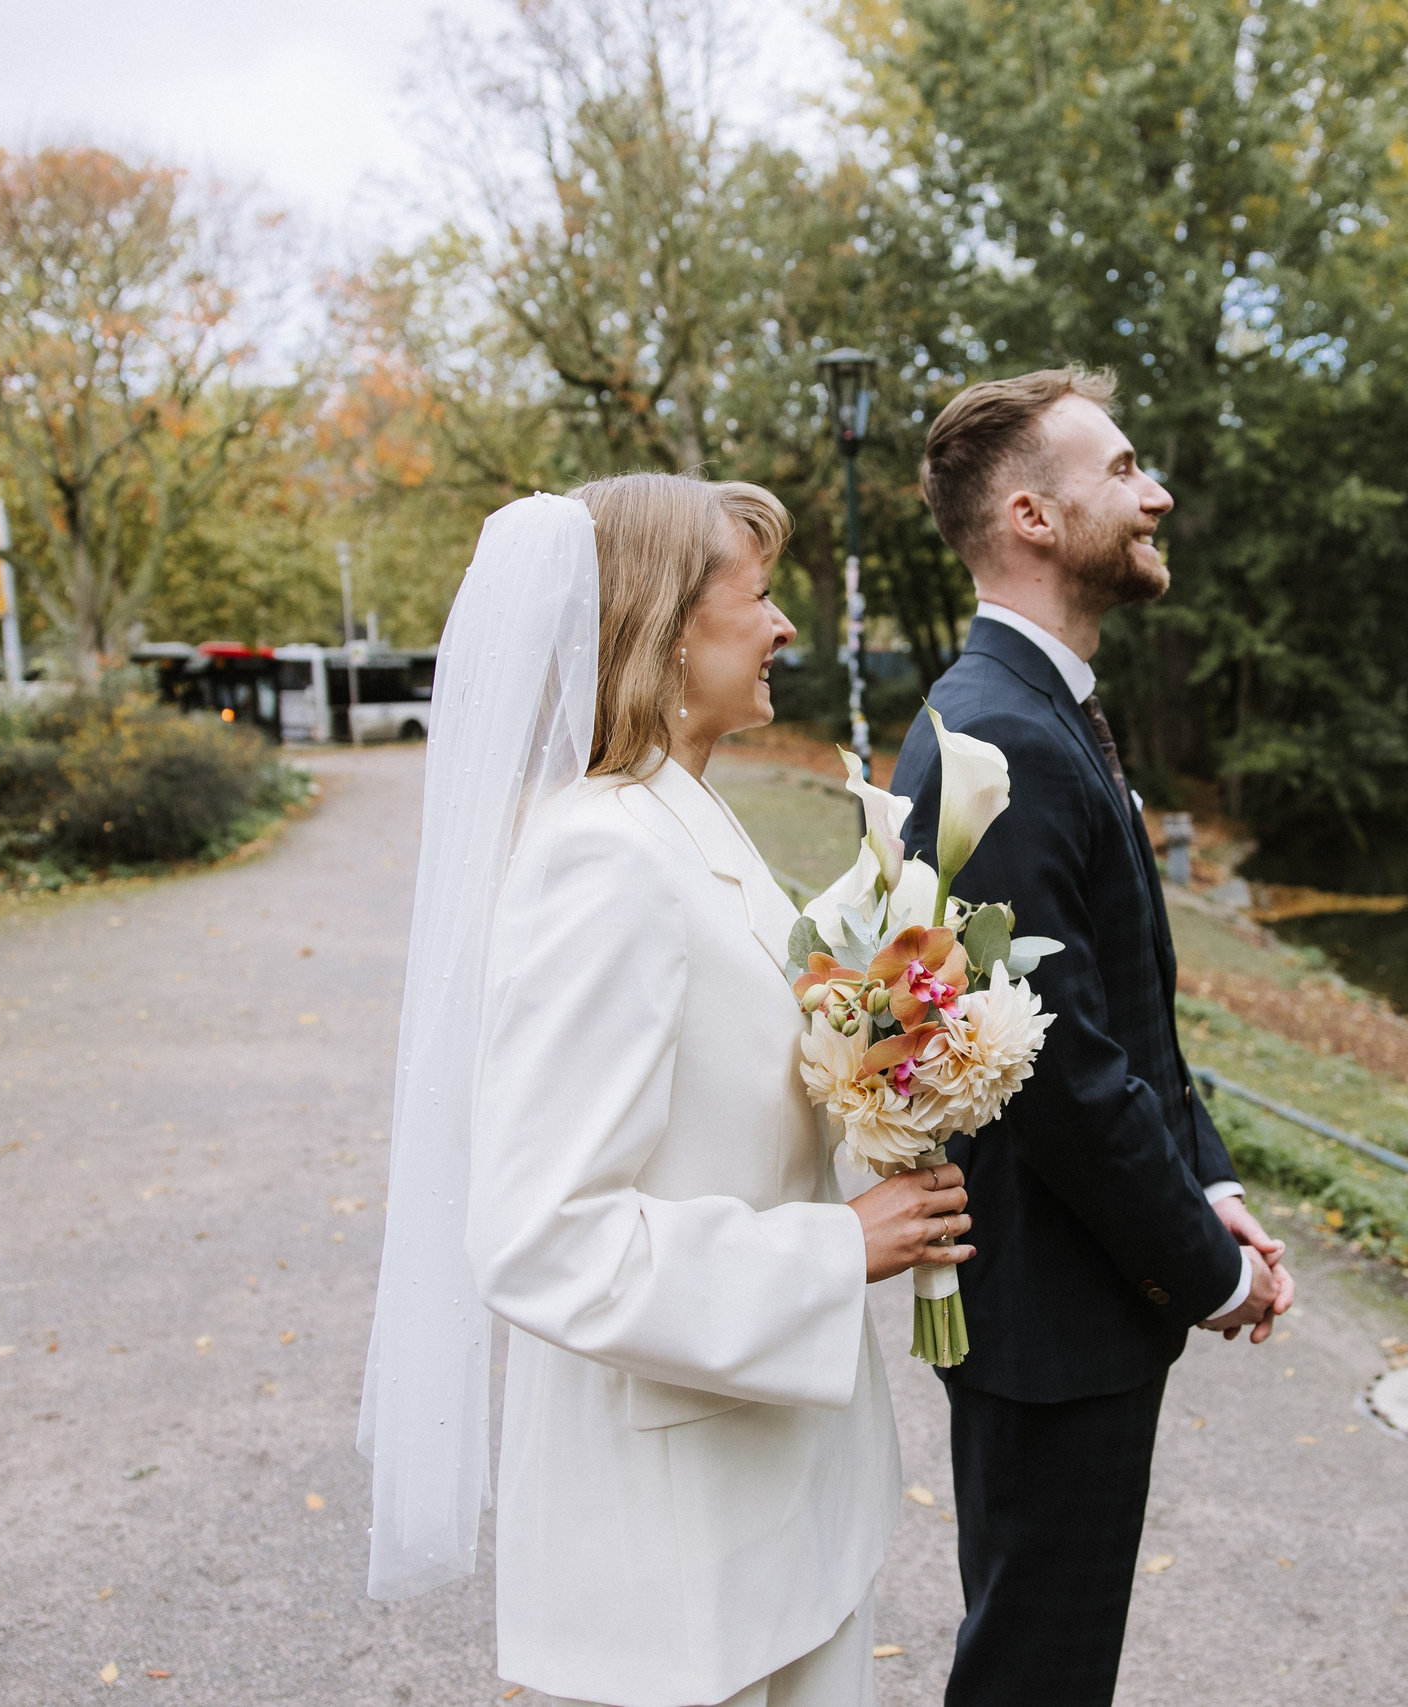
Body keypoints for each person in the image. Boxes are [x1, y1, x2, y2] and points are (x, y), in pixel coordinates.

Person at [359, 474, 972, 1707]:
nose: (784, 624)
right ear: (667, 625)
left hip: (767, 1502)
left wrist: (891, 1101)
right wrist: (833, 1249)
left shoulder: (682, 823)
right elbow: (543, 1236)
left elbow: (718, 1116)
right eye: (757, 594)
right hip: (671, 1546)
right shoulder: (600, 856)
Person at [890, 367, 1296, 1707]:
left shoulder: (1044, 707)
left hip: (1073, 1307)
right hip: (1048, 1317)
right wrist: (1205, 1267)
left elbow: (1129, 1003)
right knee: (1032, 1673)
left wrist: (1214, 1183)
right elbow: (1061, 1072)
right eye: (1123, 468)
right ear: (1033, 516)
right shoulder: (996, 732)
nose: (1157, 490)